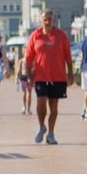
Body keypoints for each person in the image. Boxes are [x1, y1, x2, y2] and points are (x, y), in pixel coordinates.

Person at [24, 10, 72, 146]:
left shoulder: (61, 35)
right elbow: (28, 57)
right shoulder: (35, 35)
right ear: (41, 20)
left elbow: (68, 55)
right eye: (45, 19)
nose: (47, 22)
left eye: (50, 19)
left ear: (53, 20)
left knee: (54, 106)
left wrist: (71, 73)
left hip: (58, 76)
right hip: (40, 76)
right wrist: (28, 74)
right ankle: (41, 126)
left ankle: (51, 133)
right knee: (41, 101)